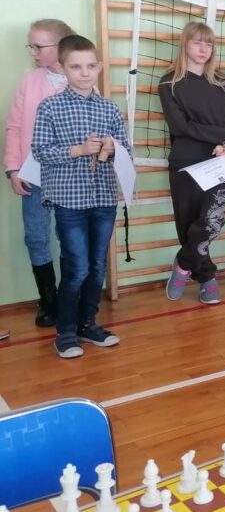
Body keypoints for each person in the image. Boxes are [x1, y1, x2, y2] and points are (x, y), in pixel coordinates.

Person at [32, 35, 131, 360]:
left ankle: (88, 323)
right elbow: (41, 152)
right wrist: (79, 149)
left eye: (90, 66)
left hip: (103, 199)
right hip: (69, 202)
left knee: (97, 267)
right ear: (63, 68)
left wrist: (112, 148)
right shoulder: (50, 107)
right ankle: (66, 331)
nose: (85, 73)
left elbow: (126, 149)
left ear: (99, 67)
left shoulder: (109, 108)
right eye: (76, 67)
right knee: (76, 267)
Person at [159, 22, 225, 305]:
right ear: (185, 44)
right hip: (186, 162)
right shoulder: (169, 83)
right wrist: (222, 136)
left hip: (221, 162)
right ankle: (207, 277)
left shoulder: (224, 83)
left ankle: (184, 264)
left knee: (212, 221)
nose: (203, 49)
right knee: (188, 226)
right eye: (197, 42)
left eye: (208, 44)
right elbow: (180, 126)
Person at [6, 18, 74, 329]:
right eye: (30, 46)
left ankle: (70, 296)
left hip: (70, 178)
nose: (33, 52)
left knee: (70, 236)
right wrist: (13, 167)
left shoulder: (81, 78)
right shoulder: (30, 82)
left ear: (60, 47)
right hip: (33, 176)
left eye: (38, 46)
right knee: (35, 236)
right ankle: (48, 299)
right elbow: (14, 126)